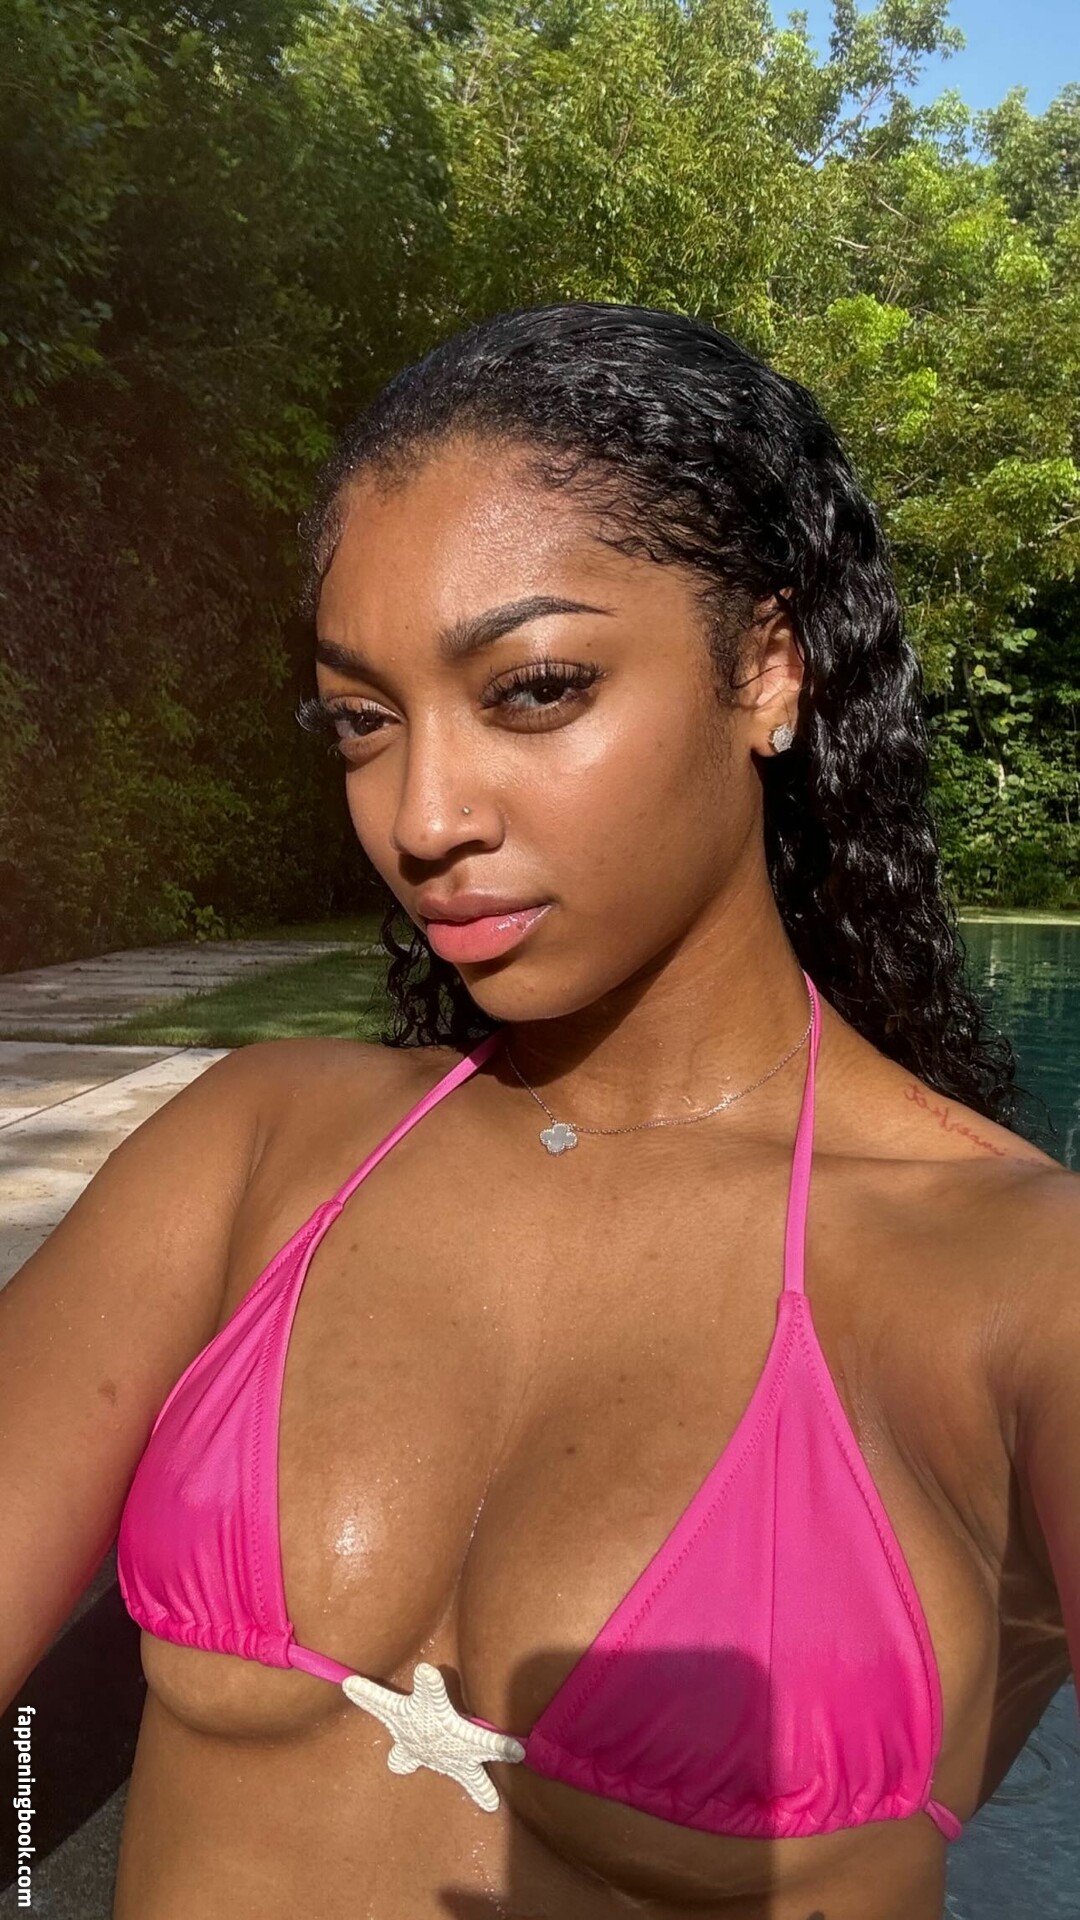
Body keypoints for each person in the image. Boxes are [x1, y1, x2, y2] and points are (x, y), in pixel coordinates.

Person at [3, 301, 1077, 1920]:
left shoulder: (1018, 1286)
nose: (422, 817)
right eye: (363, 722)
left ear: (768, 667)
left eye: (536, 688)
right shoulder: (259, 1146)